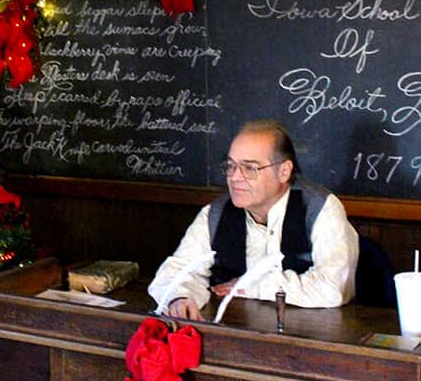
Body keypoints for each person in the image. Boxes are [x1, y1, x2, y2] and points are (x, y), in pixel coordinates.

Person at [148, 119, 359, 319]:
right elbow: (176, 270)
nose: (234, 177)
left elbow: (333, 288)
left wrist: (253, 285)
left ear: (284, 171)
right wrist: (180, 296)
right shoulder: (216, 213)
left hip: (313, 336)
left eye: (249, 168)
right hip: (237, 331)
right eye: (230, 166)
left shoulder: (320, 208)